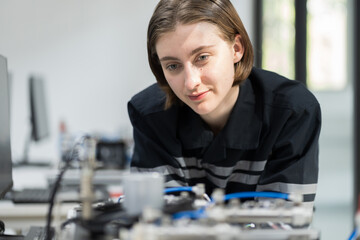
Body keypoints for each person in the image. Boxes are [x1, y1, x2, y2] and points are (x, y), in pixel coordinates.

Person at [128, 0, 321, 207]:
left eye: (202, 57)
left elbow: (283, 227)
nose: (191, 82)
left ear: (236, 49)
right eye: (173, 66)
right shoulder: (149, 115)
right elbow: (157, 222)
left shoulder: (292, 111)